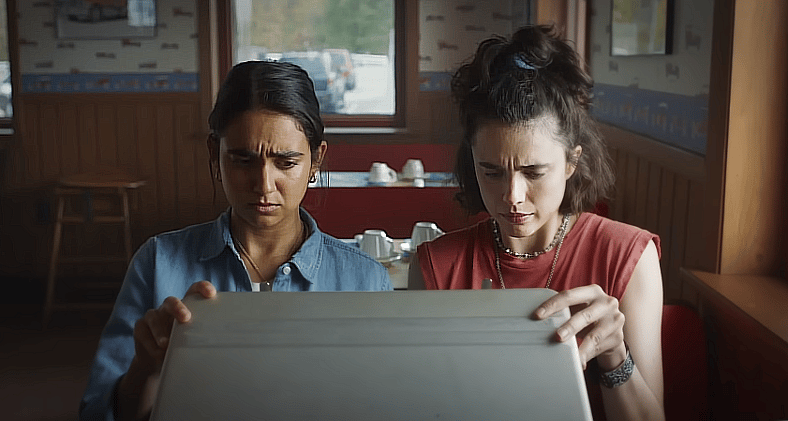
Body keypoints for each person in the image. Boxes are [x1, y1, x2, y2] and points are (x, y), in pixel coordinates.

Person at [80, 61, 392, 421]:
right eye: (243, 160)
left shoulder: (365, 280)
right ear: (215, 155)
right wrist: (146, 368)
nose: (263, 185)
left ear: (316, 160)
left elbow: (385, 403)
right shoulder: (158, 263)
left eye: (286, 163)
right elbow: (98, 413)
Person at [408, 25, 664, 421]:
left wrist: (616, 357)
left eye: (534, 172)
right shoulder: (436, 266)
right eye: (491, 172)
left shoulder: (626, 255)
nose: (512, 195)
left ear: (571, 162)